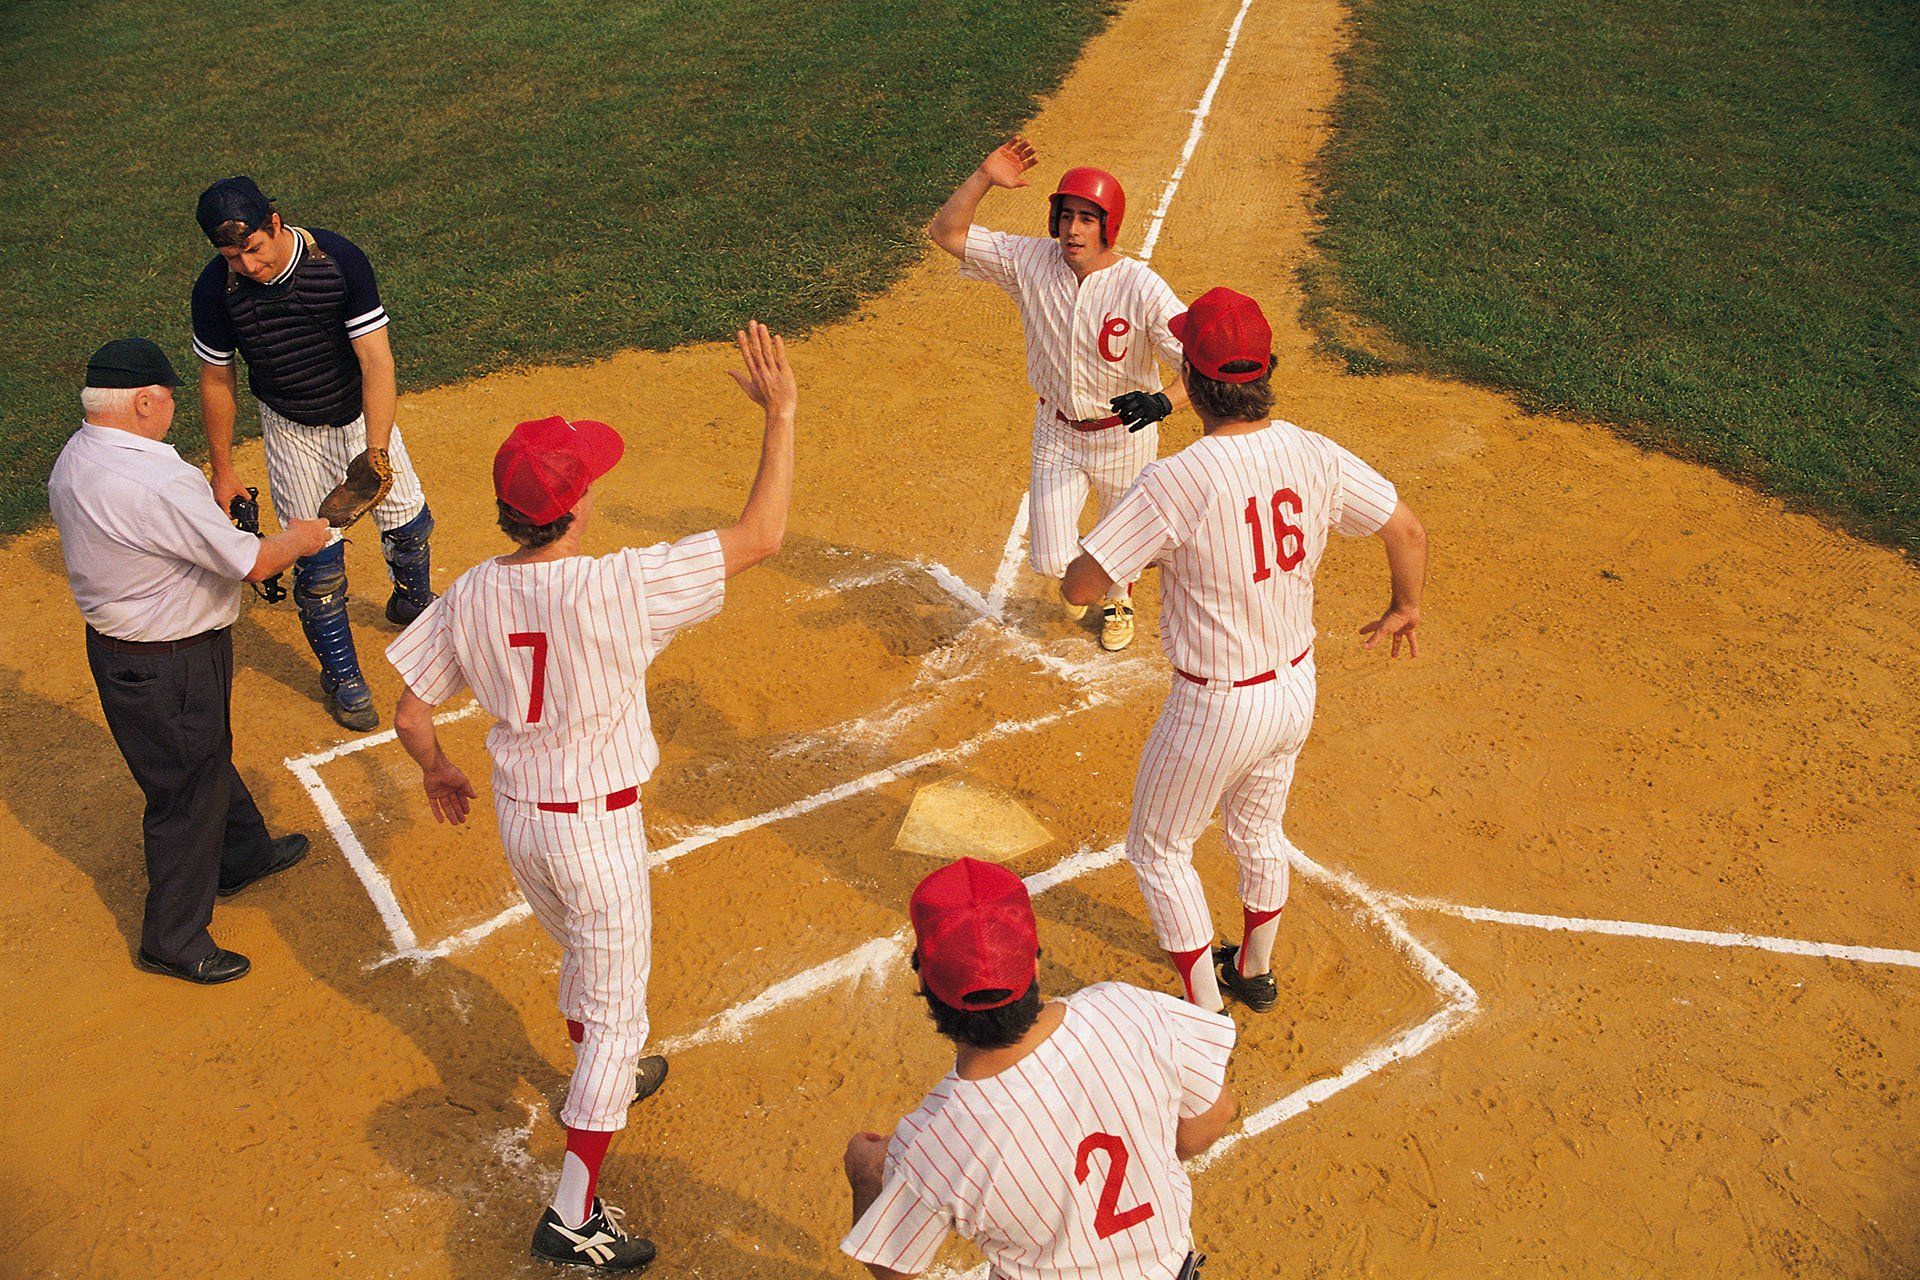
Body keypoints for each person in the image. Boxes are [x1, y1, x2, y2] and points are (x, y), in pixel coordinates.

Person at [385, 322, 798, 1272]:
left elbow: (412, 715)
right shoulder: (618, 585)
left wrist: (438, 770)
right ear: (574, 507)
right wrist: (780, 413)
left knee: (579, 952)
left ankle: (599, 1063)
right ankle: (573, 1212)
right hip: (596, 834)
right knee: (619, 1015)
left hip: (521, 821)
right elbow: (763, 535)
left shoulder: (472, 591)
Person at [1063, 287, 1428, 1013]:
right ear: (1269, 371)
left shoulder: (1176, 481)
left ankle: (1205, 1009)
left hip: (1215, 707)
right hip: (1295, 690)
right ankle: (1254, 971)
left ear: (1193, 384)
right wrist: (1405, 607)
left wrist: (1143, 550)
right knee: (1258, 829)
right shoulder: (1314, 452)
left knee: (1159, 850)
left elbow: (1081, 587)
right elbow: (1407, 530)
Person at [48, 338, 330, 983]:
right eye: (169, 396)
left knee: (199, 752)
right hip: (167, 659)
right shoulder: (157, 478)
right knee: (184, 789)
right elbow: (255, 562)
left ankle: (242, 853)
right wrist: (307, 535)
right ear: (145, 401)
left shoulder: (77, 454)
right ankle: (172, 938)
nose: (172, 406)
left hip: (128, 650)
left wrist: (210, 522)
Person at [841, 857, 1237, 1280]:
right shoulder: (1132, 1008)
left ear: (921, 980)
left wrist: (867, 1175)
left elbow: (891, 1266)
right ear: (1034, 964)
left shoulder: (933, 1142)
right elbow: (1211, 1119)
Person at [191, 175, 437, 732]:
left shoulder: (336, 261)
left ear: (274, 224)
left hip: (359, 418)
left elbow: (376, 361)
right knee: (318, 562)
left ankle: (412, 601)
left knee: (411, 526)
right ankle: (343, 675)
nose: (247, 266)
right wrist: (223, 470)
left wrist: (374, 452)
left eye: (253, 249)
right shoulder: (216, 291)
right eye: (233, 256)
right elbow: (216, 379)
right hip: (291, 429)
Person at [928, 136, 1189, 652]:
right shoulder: (1029, 261)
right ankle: (1095, 577)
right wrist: (983, 176)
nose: (1073, 229)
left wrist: (1163, 402)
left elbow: (1197, 363)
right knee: (1050, 560)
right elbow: (946, 231)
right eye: (1067, 216)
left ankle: (1120, 597)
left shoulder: (1141, 286)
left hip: (1124, 436)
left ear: (1108, 225)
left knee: (1122, 548)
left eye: (1087, 219)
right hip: (1057, 432)